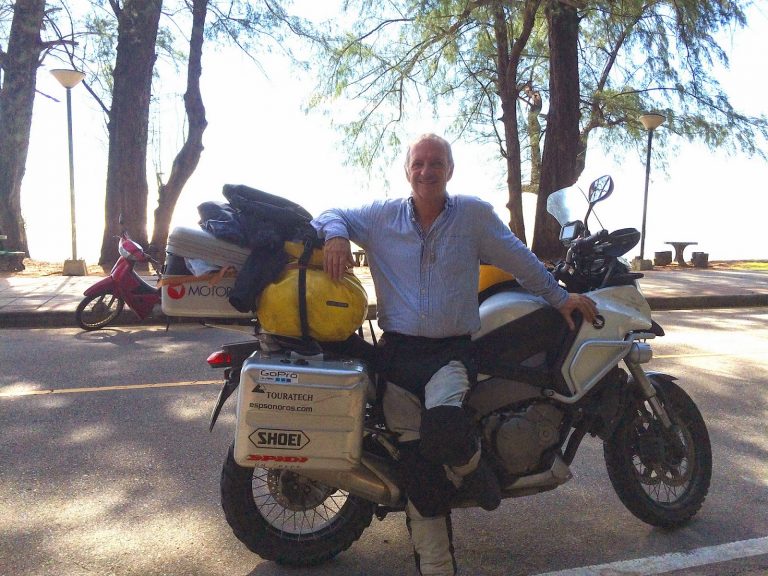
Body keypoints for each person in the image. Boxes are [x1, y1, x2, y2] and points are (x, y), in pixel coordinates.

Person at [311, 133, 597, 576]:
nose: (427, 171)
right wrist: (335, 236)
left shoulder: (473, 215)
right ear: (407, 170)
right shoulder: (382, 216)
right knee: (418, 472)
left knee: (445, 429)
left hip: (450, 353)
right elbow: (331, 213)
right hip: (398, 357)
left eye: (436, 163)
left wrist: (560, 298)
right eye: (419, 163)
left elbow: (519, 258)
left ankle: (473, 466)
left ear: (450, 170)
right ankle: (438, 566)